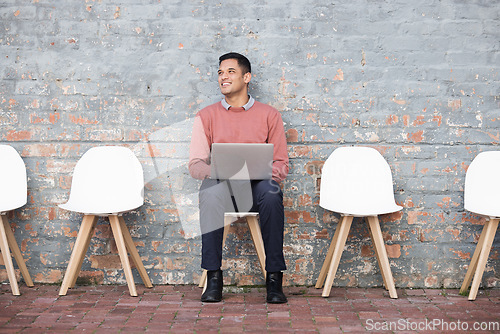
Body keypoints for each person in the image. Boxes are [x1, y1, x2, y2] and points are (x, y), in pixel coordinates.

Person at [188, 52, 289, 303]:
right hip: (223, 188)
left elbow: (281, 163)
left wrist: (267, 175)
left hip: (257, 189)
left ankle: (274, 278)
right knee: (209, 192)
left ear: (247, 77)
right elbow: (195, 164)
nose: (224, 77)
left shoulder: (269, 115)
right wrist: (220, 170)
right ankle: (213, 277)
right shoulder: (206, 115)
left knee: (272, 193)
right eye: (221, 72)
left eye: (230, 72)